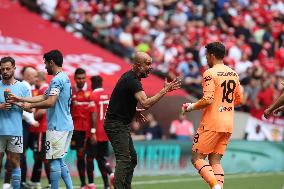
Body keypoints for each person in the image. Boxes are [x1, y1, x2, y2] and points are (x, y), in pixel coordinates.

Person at [104, 51, 181, 189]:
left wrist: (133, 111)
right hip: (116, 125)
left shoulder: (130, 78)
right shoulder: (132, 81)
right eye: (147, 64)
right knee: (124, 159)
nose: (150, 67)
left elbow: (119, 99)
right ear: (138, 65)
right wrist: (164, 91)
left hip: (120, 123)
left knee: (132, 159)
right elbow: (145, 103)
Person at [8, 50, 74, 189]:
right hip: (66, 124)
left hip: (57, 126)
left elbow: (50, 102)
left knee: (54, 162)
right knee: (60, 160)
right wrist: (20, 99)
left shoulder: (56, 80)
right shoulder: (63, 77)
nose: (44, 67)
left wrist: (30, 105)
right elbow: (43, 97)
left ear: (51, 62)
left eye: (45, 64)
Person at [182, 42, 243, 189]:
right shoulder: (233, 73)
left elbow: (207, 99)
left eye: (206, 56)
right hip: (228, 123)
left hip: (211, 122)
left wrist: (191, 107)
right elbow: (240, 100)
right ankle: (218, 187)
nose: (206, 59)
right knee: (215, 161)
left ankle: (215, 186)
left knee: (197, 158)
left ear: (212, 56)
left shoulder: (210, 73)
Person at [0, 56, 31, 189]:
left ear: (14, 68)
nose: (5, 71)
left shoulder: (22, 87)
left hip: (15, 131)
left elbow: (30, 109)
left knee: (15, 162)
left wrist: (17, 103)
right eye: (2, 69)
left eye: (8, 68)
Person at [88, 75, 114, 189]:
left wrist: (93, 131)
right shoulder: (109, 95)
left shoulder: (93, 95)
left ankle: (91, 184)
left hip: (96, 130)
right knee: (102, 157)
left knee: (90, 158)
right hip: (106, 130)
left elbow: (93, 114)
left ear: (93, 84)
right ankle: (108, 182)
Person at [70, 68, 93, 189]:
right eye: (79, 78)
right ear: (75, 79)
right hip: (76, 130)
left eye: (83, 78)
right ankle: (83, 184)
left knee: (90, 156)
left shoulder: (91, 91)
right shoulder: (70, 91)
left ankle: (91, 183)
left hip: (89, 130)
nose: (81, 80)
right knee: (80, 155)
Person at [27, 71, 51, 189]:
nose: (34, 79)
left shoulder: (44, 90)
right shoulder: (45, 89)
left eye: (35, 76)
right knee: (39, 156)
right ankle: (35, 181)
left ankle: (52, 183)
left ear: (38, 78)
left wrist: (30, 118)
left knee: (44, 156)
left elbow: (42, 111)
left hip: (42, 128)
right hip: (43, 128)